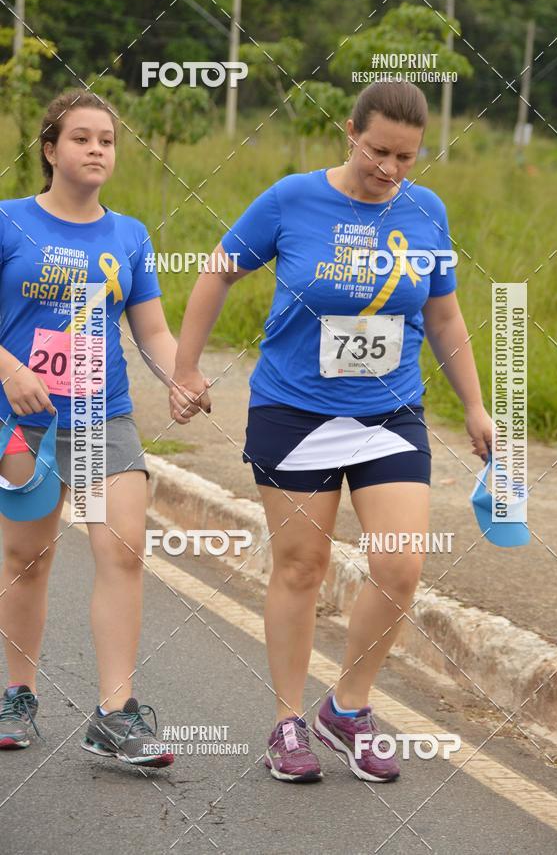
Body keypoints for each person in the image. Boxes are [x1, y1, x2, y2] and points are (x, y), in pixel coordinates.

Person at [172, 81, 493, 783]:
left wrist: (475, 405)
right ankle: (287, 720)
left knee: (401, 565)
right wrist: (185, 368)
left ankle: (347, 707)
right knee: (301, 567)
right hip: (294, 410)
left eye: (406, 157)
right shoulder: (292, 199)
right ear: (351, 132)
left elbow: (442, 317)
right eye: (379, 151)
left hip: (390, 411)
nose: (390, 169)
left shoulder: (426, 212)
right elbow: (217, 272)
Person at [0, 89, 206, 767]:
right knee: (25, 561)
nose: (96, 149)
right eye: (81, 137)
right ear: (50, 148)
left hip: (99, 416)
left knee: (122, 550)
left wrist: (183, 374)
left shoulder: (129, 236)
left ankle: (115, 713)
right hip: (23, 419)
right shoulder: (8, 222)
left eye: (107, 140)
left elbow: (150, 330)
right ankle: (18, 696)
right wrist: (8, 367)